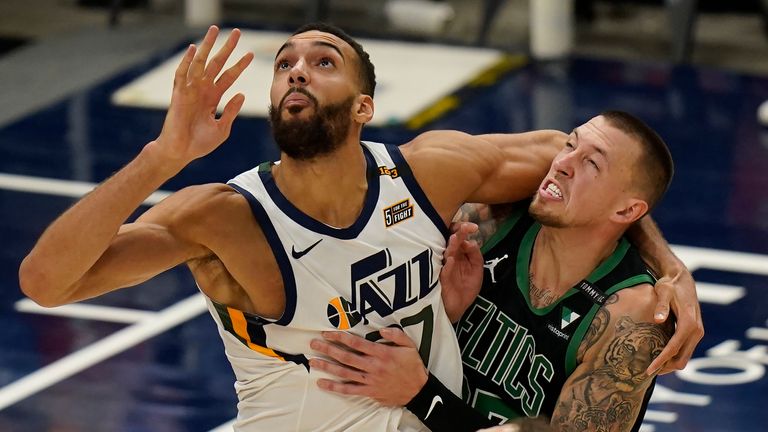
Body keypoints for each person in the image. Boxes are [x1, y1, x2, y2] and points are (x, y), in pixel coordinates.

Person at [18, 21, 699, 432]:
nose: (297, 72)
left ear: (364, 105)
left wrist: (669, 269)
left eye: (322, 62)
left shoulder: (431, 173)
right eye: (284, 63)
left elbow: (585, 168)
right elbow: (47, 283)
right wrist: (161, 157)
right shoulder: (223, 217)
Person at [309, 111, 700, 432]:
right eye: (570, 145)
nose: (561, 164)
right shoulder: (485, 223)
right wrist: (444, 312)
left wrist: (422, 394)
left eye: (591, 163)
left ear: (626, 212)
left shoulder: (629, 316)